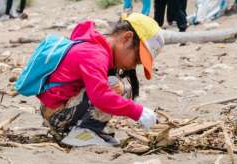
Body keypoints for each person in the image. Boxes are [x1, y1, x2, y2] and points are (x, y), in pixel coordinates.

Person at [37, 13, 164, 147]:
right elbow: (100, 96)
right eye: (137, 59)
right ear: (127, 38)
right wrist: (137, 112)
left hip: (61, 109)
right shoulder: (95, 54)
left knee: (120, 86)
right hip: (57, 113)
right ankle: (81, 132)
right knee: (114, 86)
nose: (133, 66)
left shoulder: (100, 49)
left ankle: (88, 130)